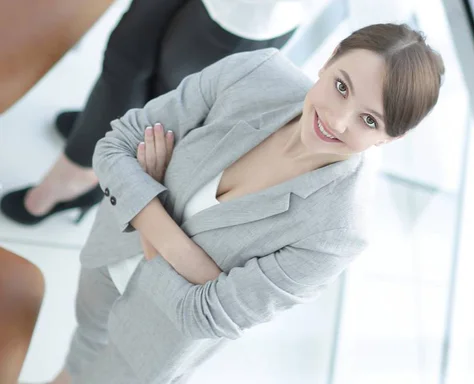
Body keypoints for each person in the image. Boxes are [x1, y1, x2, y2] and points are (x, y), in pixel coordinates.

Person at [6, 23, 445, 384]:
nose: (337, 120)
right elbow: (117, 145)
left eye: (369, 121)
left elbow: (209, 313)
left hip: (157, 338)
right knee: (89, 329)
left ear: (390, 139)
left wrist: (148, 203)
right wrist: (190, 261)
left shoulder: (340, 230)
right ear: (330, 60)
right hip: (110, 253)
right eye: (341, 86)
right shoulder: (255, 72)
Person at [0, 0, 321, 225]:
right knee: (126, 56)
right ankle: (97, 130)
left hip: (249, 8)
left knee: (167, 93)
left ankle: (83, 176)